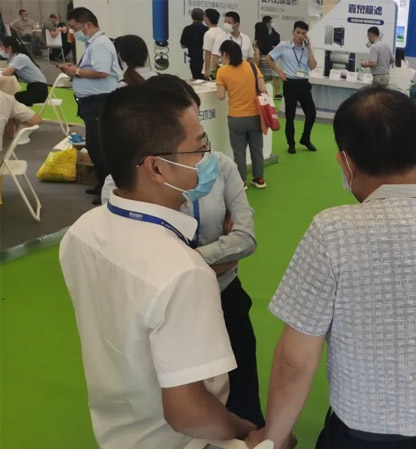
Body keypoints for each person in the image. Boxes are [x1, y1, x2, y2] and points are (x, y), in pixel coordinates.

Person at [245, 86, 416, 449]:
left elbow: (296, 361)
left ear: (345, 162)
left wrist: (273, 437)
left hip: (361, 436)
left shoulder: (333, 232)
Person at [59, 82, 256, 449]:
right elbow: (187, 413)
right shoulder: (183, 273)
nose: (208, 159)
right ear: (156, 167)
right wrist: (245, 432)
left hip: (118, 431)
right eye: (199, 148)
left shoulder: (81, 233)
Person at [60, 7, 121, 205]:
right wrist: (76, 70)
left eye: (75, 27)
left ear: (87, 24)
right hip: (93, 101)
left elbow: (102, 72)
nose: (73, 32)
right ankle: (102, 183)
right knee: (95, 145)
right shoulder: (94, 43)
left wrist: (76, 72)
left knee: (98, 146)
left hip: (99, 100)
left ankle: (107, 187)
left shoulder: (100, 44)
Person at [216, 41, 268, 189]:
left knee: (239, 151)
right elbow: (262, 88)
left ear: (226, 54)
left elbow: (220, 96)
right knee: (257, 149)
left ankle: (242, 181)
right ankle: (259, 179)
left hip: (236, 116)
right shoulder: (252, 67)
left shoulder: (222, 72)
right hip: (255, 115)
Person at [265, 21, 318, 154]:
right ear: (293, 32)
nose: (300, 36)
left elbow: (312, 66)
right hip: (290, 83)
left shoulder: (307, 49)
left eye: (303, 33)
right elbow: (268, 58)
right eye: (298, 32)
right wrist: (279, 72)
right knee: (290, 116)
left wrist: (309, 48)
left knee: (311, 114)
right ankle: (291, 143)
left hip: (304, 83)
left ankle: (305, 138)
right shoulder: (284, 46)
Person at [1, 37, 48, 105]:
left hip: (38, 90)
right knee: (10, 97)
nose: (1, 49)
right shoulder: (16, 57)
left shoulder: (20, 58)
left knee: (10, 98)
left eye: (2, 47)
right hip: (36, 88)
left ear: (9, 48)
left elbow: (6, 73)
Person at [257, 16, 281, 99]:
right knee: (265, 79)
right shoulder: (261, 35)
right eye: (271, 22)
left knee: (276, 75)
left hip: (273, 57)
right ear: (266, 23)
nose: (272, 24)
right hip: (265, 59)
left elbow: (278, 46)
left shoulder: (276, 34)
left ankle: (277, 93)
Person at [180, 8, 208, 80]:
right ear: (203, 17)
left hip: (194, 60)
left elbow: (183, 45)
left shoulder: (187, 29)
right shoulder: (207, 30)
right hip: (206, 60)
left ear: (192, 17)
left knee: (197, 80)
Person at [202, 8, 225, 80]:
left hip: (211, 69)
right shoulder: (222, 32)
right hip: (220, 66)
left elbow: (208, 53)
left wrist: (206, 71)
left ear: (207, 18)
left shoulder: (209, 33)